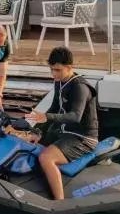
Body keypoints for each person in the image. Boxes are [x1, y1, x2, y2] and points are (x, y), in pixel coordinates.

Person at [24, 46, 100, 200]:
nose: (54, 74)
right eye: (52, 69)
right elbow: (54, 108)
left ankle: (59, 201)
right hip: (65, 133)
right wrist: (37, 131)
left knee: (46, 157)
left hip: (83, 138)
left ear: (70, 67)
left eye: (58, 70)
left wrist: (48, 117)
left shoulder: (80, 87)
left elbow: (75, 116)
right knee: (28, 145)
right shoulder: (59, 82)